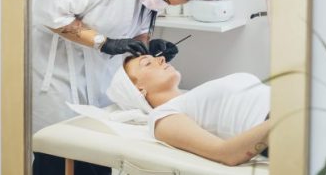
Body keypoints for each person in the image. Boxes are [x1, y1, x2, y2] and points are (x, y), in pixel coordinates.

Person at [31, 0, 206, 175]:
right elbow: (49, 12)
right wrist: (105, 43)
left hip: (100, 80)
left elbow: (137, 40)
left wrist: (150, 48)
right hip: (58, 76)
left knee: (95, 156)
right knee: (58, 153)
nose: (161, 6)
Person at [106, 54, 271, 166]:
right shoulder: (162, 116)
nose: (162, 58)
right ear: (138, 90)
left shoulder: (193, 96)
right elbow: (225, 153)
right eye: (147, 63)